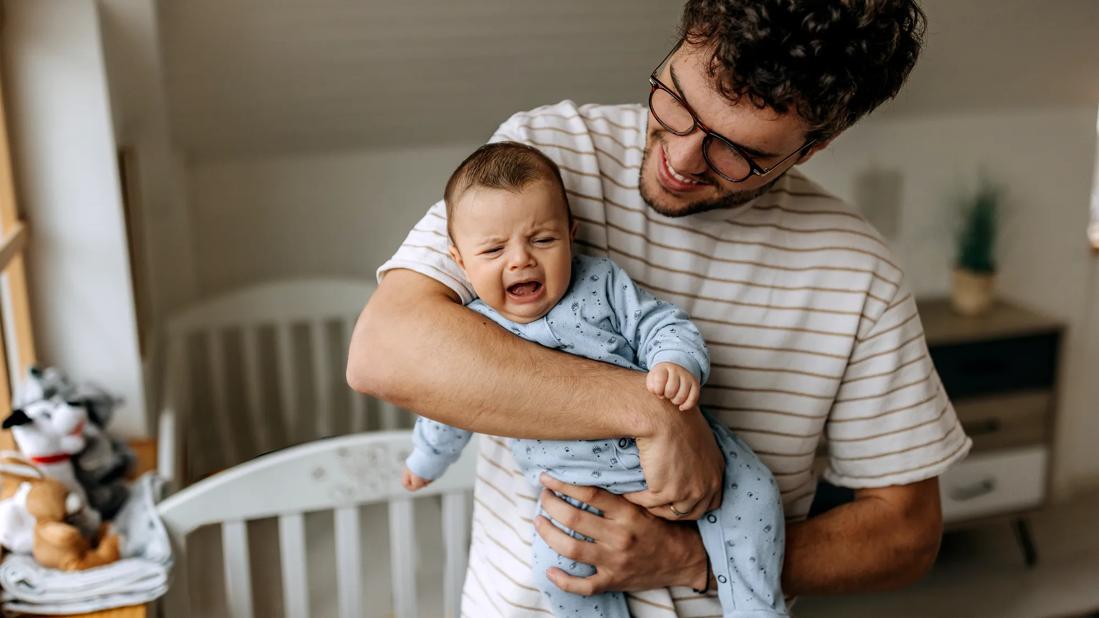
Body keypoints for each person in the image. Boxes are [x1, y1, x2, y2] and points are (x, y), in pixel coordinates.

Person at [348, 1, 971, 616]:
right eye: (677, 104)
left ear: (814, 146)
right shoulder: (547, 156)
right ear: (686, 35)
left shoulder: (857, 271)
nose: (681, 159)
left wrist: (691, 558)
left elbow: (906, 536)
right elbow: (384, 352)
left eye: (737, 152)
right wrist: (656, 415)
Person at [401, 141, 787, 618]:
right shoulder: (477, 330)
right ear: (461, 263)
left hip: (686, 457)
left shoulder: (600, 283)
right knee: (558, 571)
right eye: (494, 249)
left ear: (571, 235)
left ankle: (755, 609)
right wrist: (427, 458)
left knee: (755, 493)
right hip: (576, 495)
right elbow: (449, 400)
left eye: (542, 240)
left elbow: (661, 324)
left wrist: (676, 362)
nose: (520, 260)